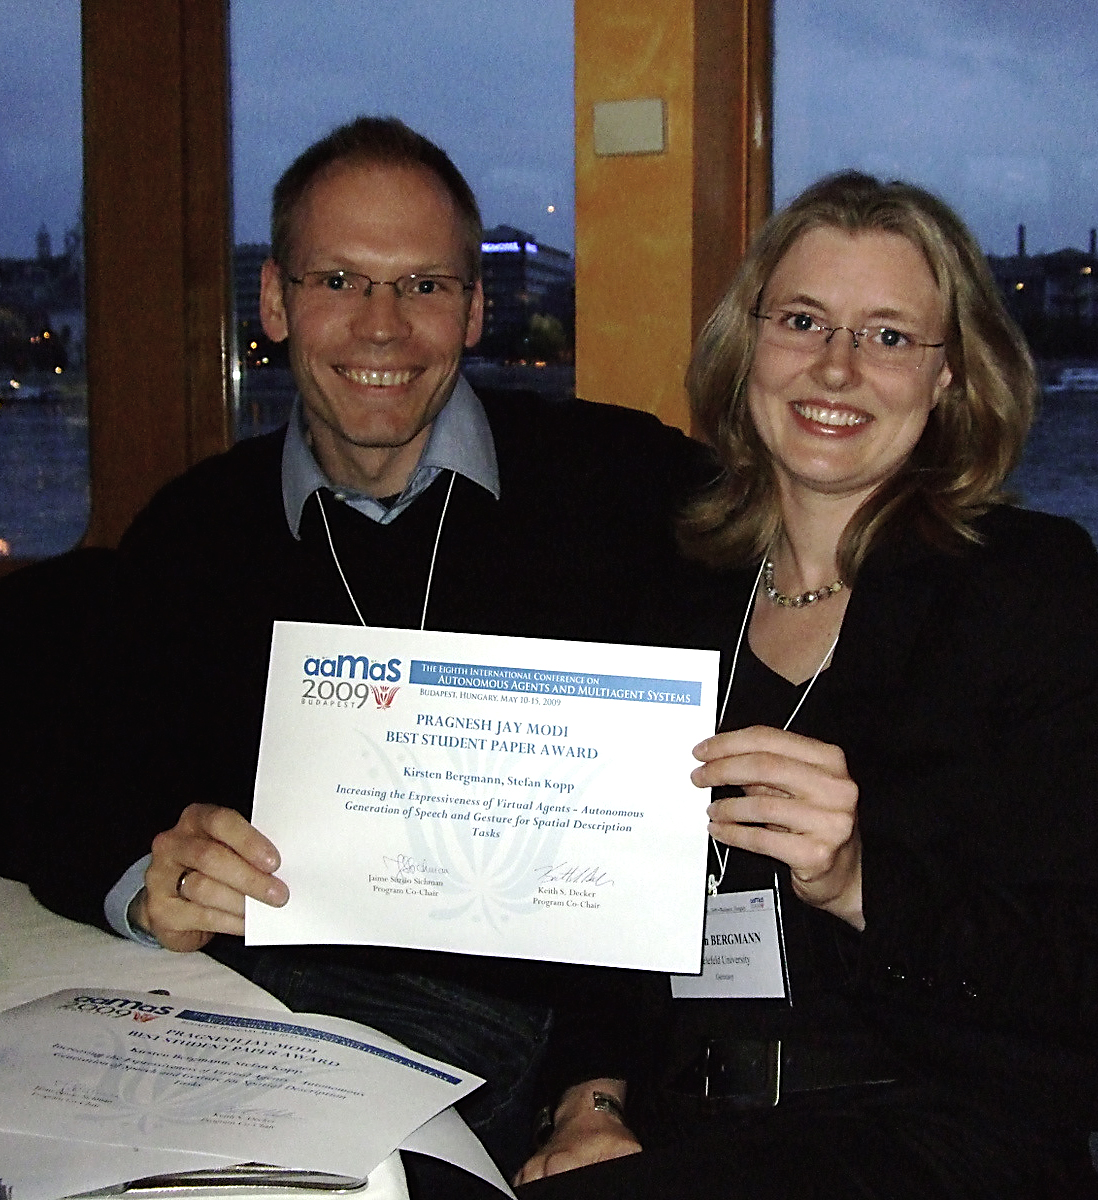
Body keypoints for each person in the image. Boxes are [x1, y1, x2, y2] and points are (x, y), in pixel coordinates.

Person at [22, 116, 711, 1193]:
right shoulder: (196, 529)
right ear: (276, 301)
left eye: (424, 285)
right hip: (253, 1019)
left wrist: (595, 1088)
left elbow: (669, 842)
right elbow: (60, 767)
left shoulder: (626, 489)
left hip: (516, 1043)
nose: (381, 327)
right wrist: (144, 883)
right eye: (339, 280)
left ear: (473, 310)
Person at [515, 172, 1098, 1197]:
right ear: (747, 346)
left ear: (950, 377)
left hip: (933, 1126)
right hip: (686, 1122)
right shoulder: (675, 594)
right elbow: (599, 915)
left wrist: (862, 882)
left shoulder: (1033, 589)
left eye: (888, 336)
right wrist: (589, 1102)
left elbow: (1074, 965)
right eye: (802, 321)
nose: (836, 366)